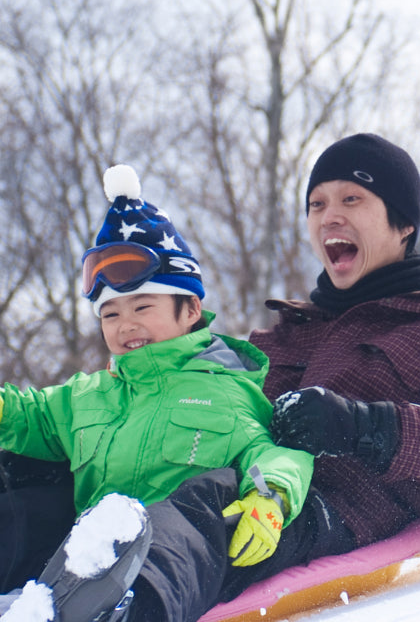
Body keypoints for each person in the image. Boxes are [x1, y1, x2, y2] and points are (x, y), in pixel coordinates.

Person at [123, 133, 420, 620]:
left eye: (351, 199)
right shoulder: (276, 339)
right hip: (208, 482)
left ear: (403, 223)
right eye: (316, 204)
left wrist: (366, 427)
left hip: (323, 511)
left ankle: (124, 607)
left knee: (207, 504)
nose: (328, 216)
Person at [0, 165, 313, 621]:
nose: (126, 325)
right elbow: (29, 417)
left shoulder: (223, 389)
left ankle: (128, 611)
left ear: (191, 308)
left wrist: (270, 498)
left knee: (187, 509)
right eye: (110, 315)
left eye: (142, 306)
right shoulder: (89, 395)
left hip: (174, 559)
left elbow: (270, 452)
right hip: (83, 564)